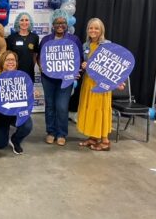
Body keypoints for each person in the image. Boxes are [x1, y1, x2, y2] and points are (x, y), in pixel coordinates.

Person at [77, 18, 124, 151]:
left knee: (101, 110)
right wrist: (84, 65)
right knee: (90, 109)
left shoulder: (108, 45)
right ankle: (93, 137)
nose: (93, 30)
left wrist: (119, 81)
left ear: (101, 30)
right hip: (88, 82)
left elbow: (115, 66)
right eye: (91, 28)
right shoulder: (85, 45)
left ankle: (105, 141)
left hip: (102, 84)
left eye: (96, 28)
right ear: (88, 30)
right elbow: (86, 64)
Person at [39, 9, 83, 146]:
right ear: (52, 24)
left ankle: (62, 133)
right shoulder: (46, 39)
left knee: (62, 106)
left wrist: (77, 70)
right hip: (48, 79)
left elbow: (79, 58)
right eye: (57, 22)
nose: (60, 25)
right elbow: (40, 58)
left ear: (67, 24)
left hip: (66, 79)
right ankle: (51, 132)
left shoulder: (74, 39)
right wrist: (41, 66)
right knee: (50, 105)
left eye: (63, 22)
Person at [0, 50, 33, 154]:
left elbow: (27, 95)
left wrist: (32, 93)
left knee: (27, 125)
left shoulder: (22, 76)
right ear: (2, 62)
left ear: (16, 62)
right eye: (7, 60)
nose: (10, 62)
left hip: (17, 113)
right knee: (0, 145)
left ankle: (15, 140)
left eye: (13, 60)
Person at [6, 12, 39, 82]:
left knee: (29, 91)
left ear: (30, 22)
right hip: (14, 72)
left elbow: (35, 55)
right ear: (18, 22)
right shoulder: (11, 38)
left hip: (29, 72)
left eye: (26, 20)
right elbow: (7, 56)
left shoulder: (35, 37)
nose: (24, 22)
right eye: (22, 20)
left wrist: (31, 65)